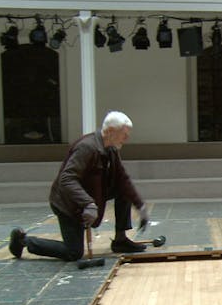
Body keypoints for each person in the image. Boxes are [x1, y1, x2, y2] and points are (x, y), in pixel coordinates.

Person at [9, 111, 151, 261]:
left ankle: (120, 240)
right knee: (73, 252)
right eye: (124, 134)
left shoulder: (111, 149)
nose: (127, 138)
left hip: (89, 196)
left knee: (122, 190)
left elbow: (122, 179)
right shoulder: (86, 147)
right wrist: (87, 203)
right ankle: (23, 241)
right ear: (110, 131)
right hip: (68, 203)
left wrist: (140, 206)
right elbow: (67, 179)